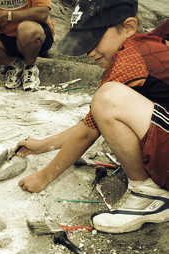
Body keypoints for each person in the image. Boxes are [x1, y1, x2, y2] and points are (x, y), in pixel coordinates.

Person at [15, 0, 169, 234]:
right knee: (107, 101)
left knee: (107, 97)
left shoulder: (130, 60)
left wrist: (45, 176)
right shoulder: (141, 45)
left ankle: (147, 195)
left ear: (128, 27)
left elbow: (91, 128)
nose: (89, 51)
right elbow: (94, 121)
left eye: (95, 40)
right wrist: (44, 145)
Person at [0, 0, 55, 91]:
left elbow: (42, 13)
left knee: (25, 29)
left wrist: (5, 15)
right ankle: (16, 64)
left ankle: (30, 67)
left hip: (37, 33)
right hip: (8, 37)